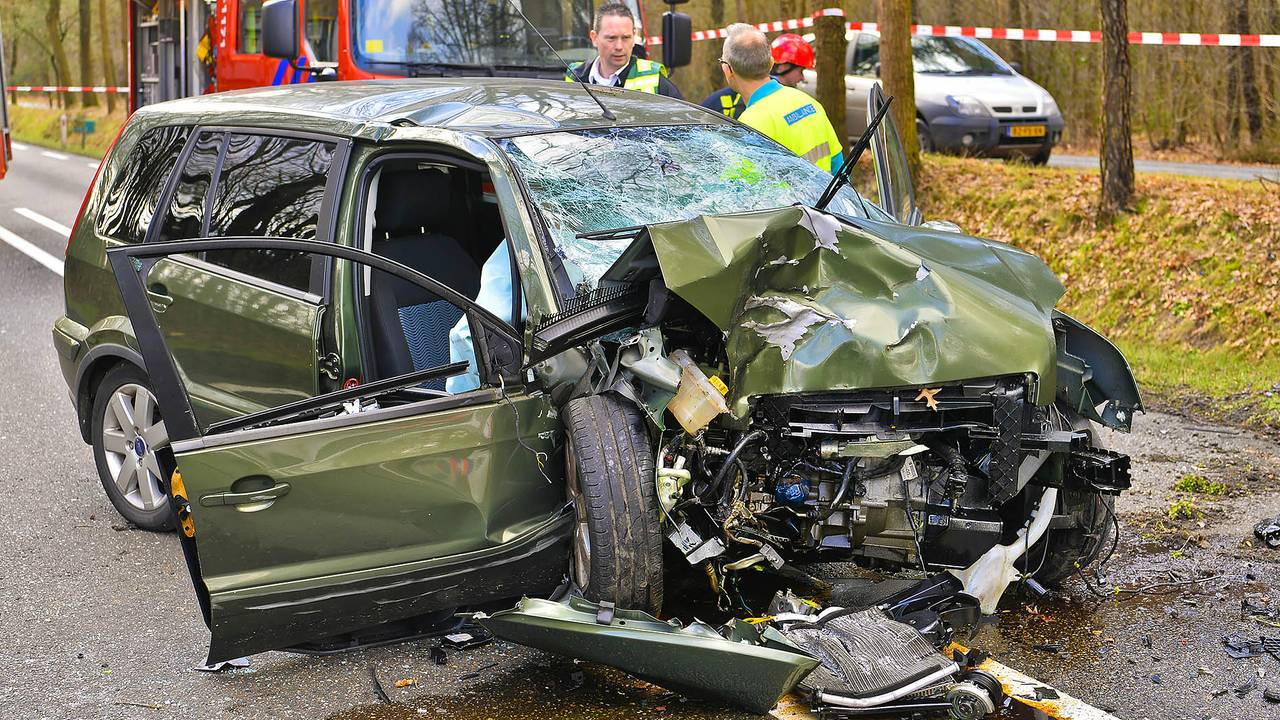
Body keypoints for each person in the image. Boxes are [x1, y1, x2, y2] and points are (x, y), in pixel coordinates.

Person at [721, 24, 842, 173]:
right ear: (771, 63)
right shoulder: (810, 102)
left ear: (727, 70)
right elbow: (839, 168)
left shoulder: (750, 125)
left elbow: (738, 184)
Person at [565, 2, 682, 98]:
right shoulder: (574, 76)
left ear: (634, 37)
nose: (619, 46)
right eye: (611, 38)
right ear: (594, 38)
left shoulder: (654, 80)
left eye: (626, 38)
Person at [700, 33, 816, 119]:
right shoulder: (809, 103)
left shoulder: (714, 102)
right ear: (782, 66)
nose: (802, 78)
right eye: (800, 71)